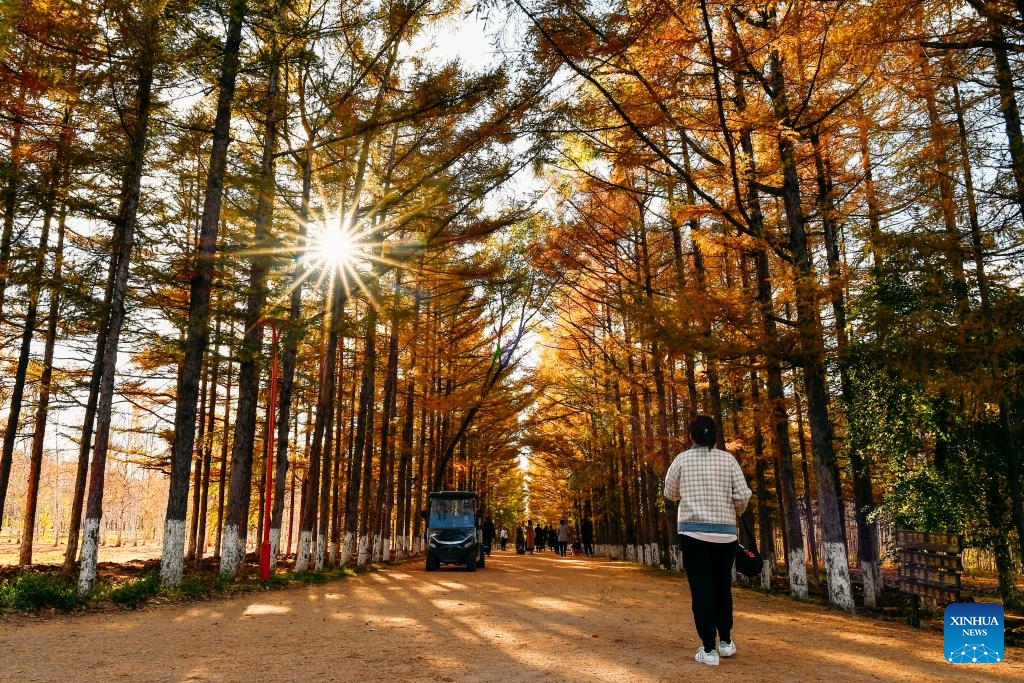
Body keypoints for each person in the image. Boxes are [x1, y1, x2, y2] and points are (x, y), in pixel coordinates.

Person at [663, 415, 751, 667]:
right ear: (714, 435)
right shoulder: (728, 460)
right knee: (722, 588)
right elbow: (742, 495)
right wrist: (733, 512)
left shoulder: (681, 459)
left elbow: (670, 493)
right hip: (725, 536)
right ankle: (726, 642)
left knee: (701, 590)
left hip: (693, 535)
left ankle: (709, 650)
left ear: (691, 436)